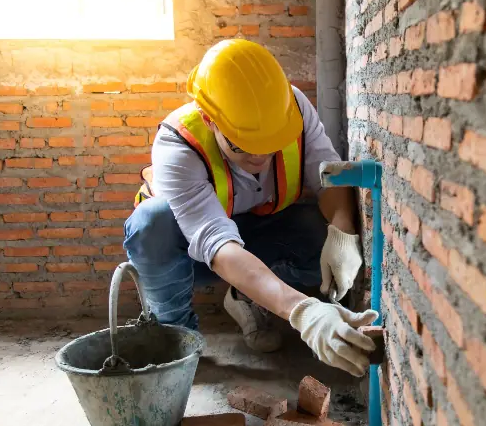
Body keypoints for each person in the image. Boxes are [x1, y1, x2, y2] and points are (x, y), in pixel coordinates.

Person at [123, 39, 376, 377]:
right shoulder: (177, 144)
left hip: (258, 232)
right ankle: (175, 339)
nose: (258, 157)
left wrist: (342, 231)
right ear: (210, 120)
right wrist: (302, 310)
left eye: (268, 144)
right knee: (150, 222)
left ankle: (250, 295)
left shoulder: (292, 108)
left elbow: (327, 173)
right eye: (241, 146)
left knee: (315, 230)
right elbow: (217, 244)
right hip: (186, 255)